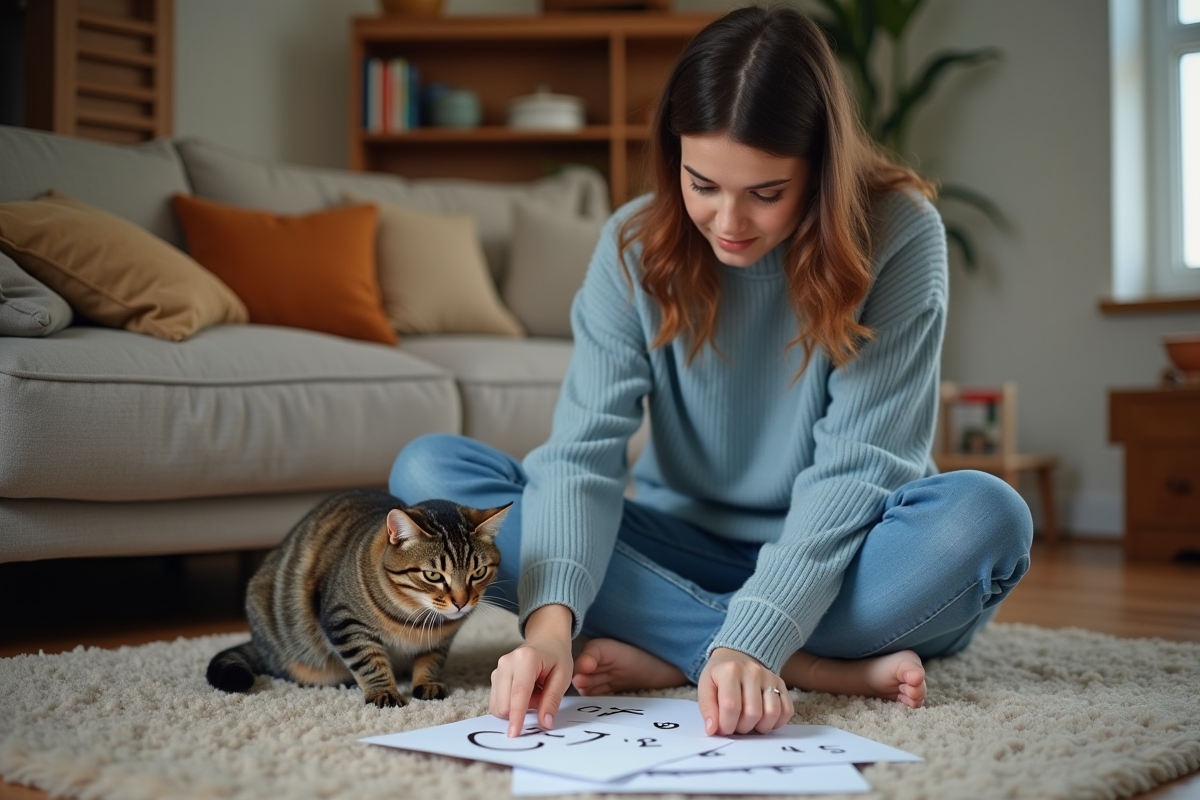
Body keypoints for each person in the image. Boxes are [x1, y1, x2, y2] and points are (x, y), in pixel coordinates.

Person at [388, 4, 1033, 739]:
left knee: (986, 518)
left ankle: (701, 644)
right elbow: (583, 455)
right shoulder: (632, 245)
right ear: (674, 158)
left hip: (849, 552)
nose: (728, 221)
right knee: (429, 470)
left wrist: (753, 634)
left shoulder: (899, 232)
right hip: (678, 541)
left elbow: (861, 467)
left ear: (820, 169)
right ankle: (801, 661)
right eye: (702, 184)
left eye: (766, 193)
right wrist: (548, 630)